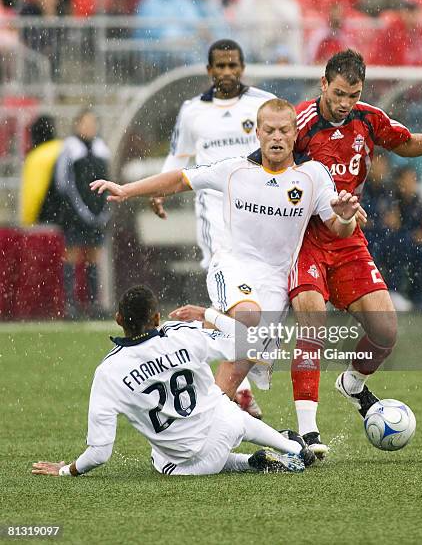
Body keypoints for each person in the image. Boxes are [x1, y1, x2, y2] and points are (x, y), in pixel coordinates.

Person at [91, 99, 366, 441]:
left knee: (237, 363)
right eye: (269, 130)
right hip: (233, 266)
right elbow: (181, 179)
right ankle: (197, 319)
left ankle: (203, 433)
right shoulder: (235, 170)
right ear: (257, 132)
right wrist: (127, 189)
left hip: (276, 283)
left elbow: (339, 228)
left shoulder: (312, 176)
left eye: (284, 130)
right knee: (248, 318)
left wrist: (344, 215)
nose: (276, 137)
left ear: (296, 134)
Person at [289, 49, 422, 453]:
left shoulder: (368, 118)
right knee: (313, 320)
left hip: (347, 239)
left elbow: (406, 144)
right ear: (323, 84)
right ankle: (308, 433)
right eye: (339, 94)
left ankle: (352, 383)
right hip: (303, 239)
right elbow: (265, 162)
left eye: (353, 94)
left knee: (385, 331)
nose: (345, 103)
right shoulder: (300, 123)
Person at [31, 285, 313, 478]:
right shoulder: (181, 333)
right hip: (228, 425)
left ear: (118, 319)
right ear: (156, 317)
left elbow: (100, 453)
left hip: (192, 461)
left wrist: (67, 469)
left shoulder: (108, 372)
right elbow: (251, 341)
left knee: (161, 458)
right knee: (222, 405)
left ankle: (250, 463)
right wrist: (207, 314)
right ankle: (295, 449)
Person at [151, 39, 274, 418]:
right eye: (219, 66)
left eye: (232, 65)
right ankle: (240, 388)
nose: (226, 72)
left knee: (258, 300)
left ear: (242, 66)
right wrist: (159, 188)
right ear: (209, 70)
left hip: (259, 209)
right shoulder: (192, 112)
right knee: (227, 288)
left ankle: (237, 374)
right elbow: (178, 156)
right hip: (214, 212)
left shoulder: (263, 104)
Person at [55, 107, 111, 319]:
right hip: (74, 214)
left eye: (92, 123)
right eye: (85, 123)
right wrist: (80, 210)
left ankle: (94, 304)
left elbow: (107, 180)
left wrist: (102, 209)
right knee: (73, 253)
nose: (90, 127)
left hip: (96, 212)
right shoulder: (70, 148)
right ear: (77, 125)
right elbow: (64, 184)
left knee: (94, 255)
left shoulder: (100, 148)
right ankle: (71, 304)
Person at [20, 115, 63, 226]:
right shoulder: (64, 148)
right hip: (72, 221)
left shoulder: (37, 157)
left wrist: (27, 222)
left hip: (48, 219)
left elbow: (33, 194)